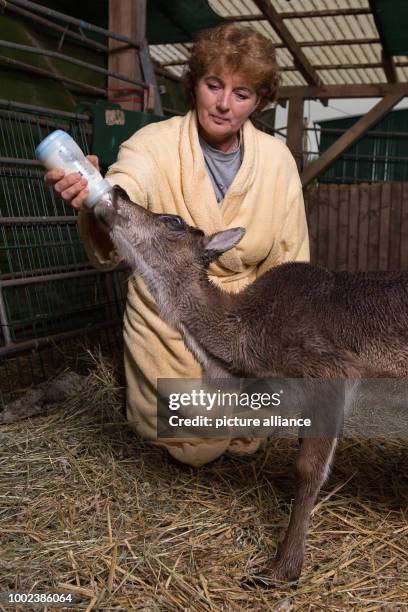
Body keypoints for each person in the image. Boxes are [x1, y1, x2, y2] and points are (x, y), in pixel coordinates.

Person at [45, 24, 309, 467]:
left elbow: (291, 257)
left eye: (241, 94)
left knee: (249, 436)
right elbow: (127, 187)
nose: (224, 104)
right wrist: (96, 196)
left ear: (259, 102)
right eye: (213, 86)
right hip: (169, 325)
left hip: (243, 329)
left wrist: (277, 348)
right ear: (194, 85)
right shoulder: (153, 144)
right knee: (196, 446)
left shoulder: (278, 162)